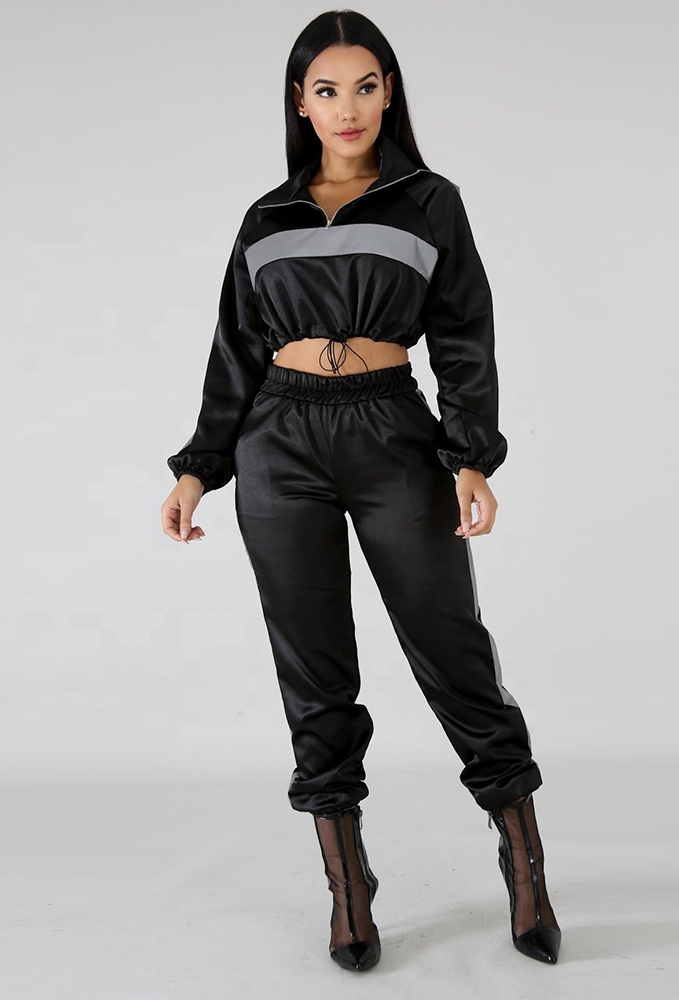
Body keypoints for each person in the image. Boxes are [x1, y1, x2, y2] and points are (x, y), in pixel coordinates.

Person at [160, 9, 561, 971]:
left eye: (367, 86)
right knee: (313, 665)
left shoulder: (429, 202)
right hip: (279, 440)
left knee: (449, 645)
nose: (348, 107)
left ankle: (526, 864)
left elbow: (463, 333)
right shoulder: (267, 218)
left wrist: (470, 455)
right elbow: (235, 350)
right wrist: (198, 466)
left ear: (390, 95)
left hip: (390, 431)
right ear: (300, 102)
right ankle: (348, 886)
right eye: (328, 89)